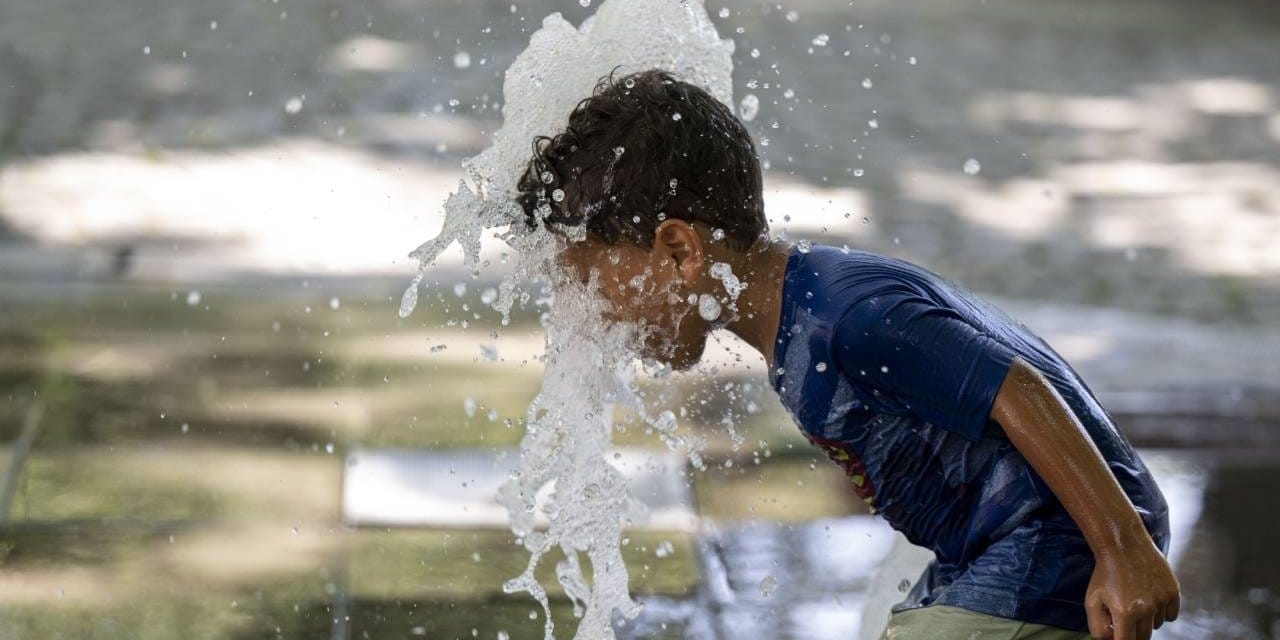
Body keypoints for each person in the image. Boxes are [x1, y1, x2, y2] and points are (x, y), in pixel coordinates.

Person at [515, 68, 1179, 640]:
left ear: (681, 251)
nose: (592, 316)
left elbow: (1022, 390)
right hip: (1001, 552)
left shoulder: (848, 318)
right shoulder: (800, 318)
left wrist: (1124, 550)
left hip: (1055, 553)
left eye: (594, 285)